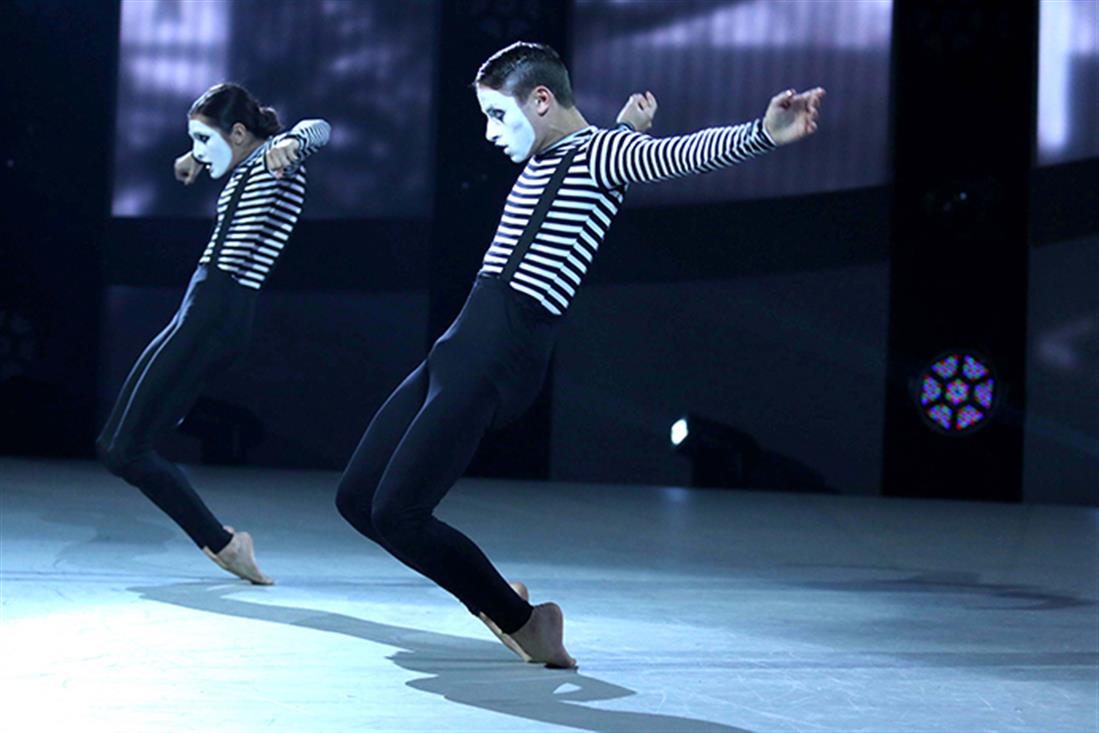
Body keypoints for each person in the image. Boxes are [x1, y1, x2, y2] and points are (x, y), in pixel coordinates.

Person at [335, 42, 824, 667]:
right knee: (356, 499)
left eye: (497, 115)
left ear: (541, 100)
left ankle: (528, 622)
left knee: (399, 514)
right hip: (458, 347)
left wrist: (763, 133)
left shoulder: (602, 155)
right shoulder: (573, 153)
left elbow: (680, 154)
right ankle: (493, 594)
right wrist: (626, 129)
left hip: (500, 353)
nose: (489, 133)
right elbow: (600, 161)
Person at [97, 83, 331, 585]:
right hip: (200, 304)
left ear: (240, 133)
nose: (197, 151)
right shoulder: (246, 161)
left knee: (126, 450)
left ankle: (224, 545)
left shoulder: (276, 159)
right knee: (115, 447)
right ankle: (223, 543)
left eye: (204, 140)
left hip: (218, 310)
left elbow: (320, 128)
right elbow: (225, 154)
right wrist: (197, 157)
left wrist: (296, 140)